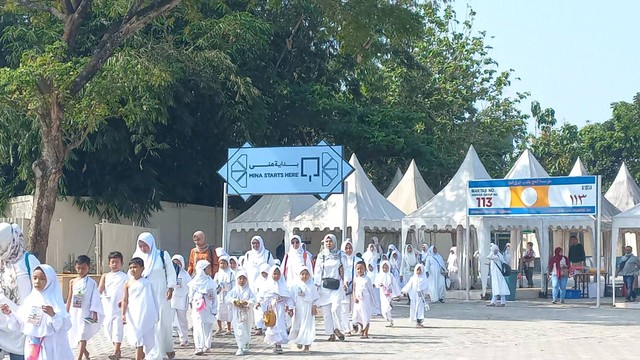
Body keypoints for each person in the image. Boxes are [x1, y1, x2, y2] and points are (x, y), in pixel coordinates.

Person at [2, 264, 73, 360]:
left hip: (51, 347)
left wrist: (53, 315)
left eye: (42, 279)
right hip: (33, 347)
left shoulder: (54, 302)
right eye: (34, 278)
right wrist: (9, 313)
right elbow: (21, 322)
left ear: (49, 280)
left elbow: (63, 326)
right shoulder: (30, 300)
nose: (37, 282)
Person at [132, 232, 176, 360]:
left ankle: (164, 349)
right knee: (148, 321)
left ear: (151, 243)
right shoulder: (137, 256)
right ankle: (152, 352)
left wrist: (171, 287)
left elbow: (170, 272)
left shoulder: (162, 255)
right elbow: (132, 274)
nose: (143, 249)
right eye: (140, 246)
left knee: (162, 321)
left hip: (161, 292)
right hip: (144, 293)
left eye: (145, 246)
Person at [0, 223, 41, 360]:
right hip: (2, 326)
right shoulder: (2, 262)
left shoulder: (29, 261)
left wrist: (35, 325)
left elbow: (41, 293)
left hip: (22, 328)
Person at [66, 255, 103, 360]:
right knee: (77, 333)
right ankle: (86, 353)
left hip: (86, 312)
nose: (81, 270)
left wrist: (95, 312)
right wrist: (66, 311)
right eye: (79, 268)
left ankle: (79, 357)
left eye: (83, 268)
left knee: (83, 333)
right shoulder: (72, 282)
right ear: (75, 267)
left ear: (88, 268)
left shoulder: (91, 283)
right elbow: (70, 297)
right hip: (75, 312)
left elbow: (95, 298)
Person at [122, 258, 158, 360]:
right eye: (131, 268)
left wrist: (153, 313)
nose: (133, 270)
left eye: (135, 267)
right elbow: (125, 300)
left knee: (142, 339)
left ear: (142, 268)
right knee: (138, 339)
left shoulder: (147, 283)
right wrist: (123, 314)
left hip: (145, 314)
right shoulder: (127, 284)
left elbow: (152, 299)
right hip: (133, 314)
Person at [313, 234, 347, 342]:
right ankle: (331, 333)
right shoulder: (321, 255)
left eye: (330, 241)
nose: (328, 243)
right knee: (326, 312)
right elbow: (317, 271)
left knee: (335, 308)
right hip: (324, 286)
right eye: (326, 242)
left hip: (336, 285)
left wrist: (345, 282)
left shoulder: (340, 254)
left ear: (334, 242)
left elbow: (345, 269)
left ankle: (337, 328)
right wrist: (316, 285)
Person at [98, 251, 128, 360]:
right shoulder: (105, 276)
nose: (115, 264)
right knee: (108, 328)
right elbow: (100, 290)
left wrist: (124, 301)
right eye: (113, 262)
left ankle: (116, 351)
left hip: (119, 307)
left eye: (117, 262)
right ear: (109, 264)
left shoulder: (125, 277)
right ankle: (116, 347)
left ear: (121, 263)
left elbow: (127, 290)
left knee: (118, 328)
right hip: (107, 306)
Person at [257, 265, 293, 354]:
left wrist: (290, 307)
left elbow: (287, 298)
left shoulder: (283, 286)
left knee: (280, 325)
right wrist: (260, 304)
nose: (276, 276)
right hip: (271, 310)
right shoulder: (267, 286)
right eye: (274, 274)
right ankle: (276, 344)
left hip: (280, 309)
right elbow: (263, 297)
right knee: (273, 326)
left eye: (278, 274)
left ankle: (279, 344)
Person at [188, 260, 217, 355]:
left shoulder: (211, 282)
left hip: (208, 308)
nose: (210, 269)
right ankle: (199, 347)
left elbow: (215, 297)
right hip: (198, 309)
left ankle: (207, 345)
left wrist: (214, 308)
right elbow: (190, 296)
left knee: (208, 326)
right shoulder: (194, 283)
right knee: (198, 326)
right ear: (202, 270)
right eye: (208, 268)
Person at [289, 266, 319, 354]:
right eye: (302, 274)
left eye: (306, 274)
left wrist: (314, 305)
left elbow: (316, 298)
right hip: (298, 309)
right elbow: (291, 297)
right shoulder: (295, 285)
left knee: (307, 327)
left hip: (308, 309)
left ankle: (306, 346)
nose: (304, 276)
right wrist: (290, 308)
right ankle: (299, 340)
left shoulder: (312, 286)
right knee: (297, 326)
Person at [226, 270, 255, 356]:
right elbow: (227, 298)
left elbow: (254, 300)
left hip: (246, 314)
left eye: (244, 279)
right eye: (240, 278)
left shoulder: (249, 290)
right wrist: (235, 301)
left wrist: (247, 303)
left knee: (246, 330)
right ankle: (240, 347)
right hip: (237, 314)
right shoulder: (234, 290)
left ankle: (245, 344)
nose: (242, 281)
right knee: (239, 330)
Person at [340, 239, 361, 335]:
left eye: (350, 248)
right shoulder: (340, 260)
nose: (348, 250)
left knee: (355, 308)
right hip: (342, 287)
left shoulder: (357, 260)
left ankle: (354, 324)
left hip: (355, 287)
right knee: (344, 308)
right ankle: (346, 328)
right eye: (346, 248)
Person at [170, 254, 191, 347]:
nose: (176, 264)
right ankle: (169, 338)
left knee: (182, 320)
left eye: (178, 262)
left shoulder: (185, 275)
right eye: (174, 262)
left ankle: (184, 339)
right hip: (171, 299)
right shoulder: (170, 274)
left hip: (182, 300)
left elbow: (190, 287)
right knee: (169, 320)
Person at [351, 261, 374, 338]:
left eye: (361, 268)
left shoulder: (367, 280)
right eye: (358, 269)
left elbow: (371, 291)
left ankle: (365, 332)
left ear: (365, 269)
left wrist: (374, 301)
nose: (359, 270)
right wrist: (354, 297)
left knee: (365, 316)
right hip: (357, 301)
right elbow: (354, 289)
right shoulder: (355, 279)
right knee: (357, 316)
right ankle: (361, 328)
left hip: (365, 300)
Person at [214, 255, 235, 335]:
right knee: (219, 311)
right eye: (221, 263)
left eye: (224, 263)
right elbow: (214, 284)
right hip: (220, 295)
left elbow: (233, 285)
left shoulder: (231, 274)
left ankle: (229, 328)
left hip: (228, 295)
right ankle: (219, 327)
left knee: (228, 311)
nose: (222, 265)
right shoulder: (217, 274)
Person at [375, 260, 400, 327]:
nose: (385, 269)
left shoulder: (390, 275)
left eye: (386, 268)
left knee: (387, 305)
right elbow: (376, 283)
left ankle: (390, 319)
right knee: (384, 306)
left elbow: (394, 284)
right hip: (382, 293)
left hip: (389, 293)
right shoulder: (379, 275)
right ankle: (389, 319)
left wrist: (398, 294)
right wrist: (379, 284)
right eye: (383, 267)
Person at [252, 263, 270, 336]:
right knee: (258, 314)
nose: (264, 274)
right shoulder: (258, 279)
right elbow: (255, 290)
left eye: (265, 272)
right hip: (259, 299)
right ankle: (259, 328)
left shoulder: (270, 279)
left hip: (268, 300)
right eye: (262, 272)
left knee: (268, 314)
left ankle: (267, 328)